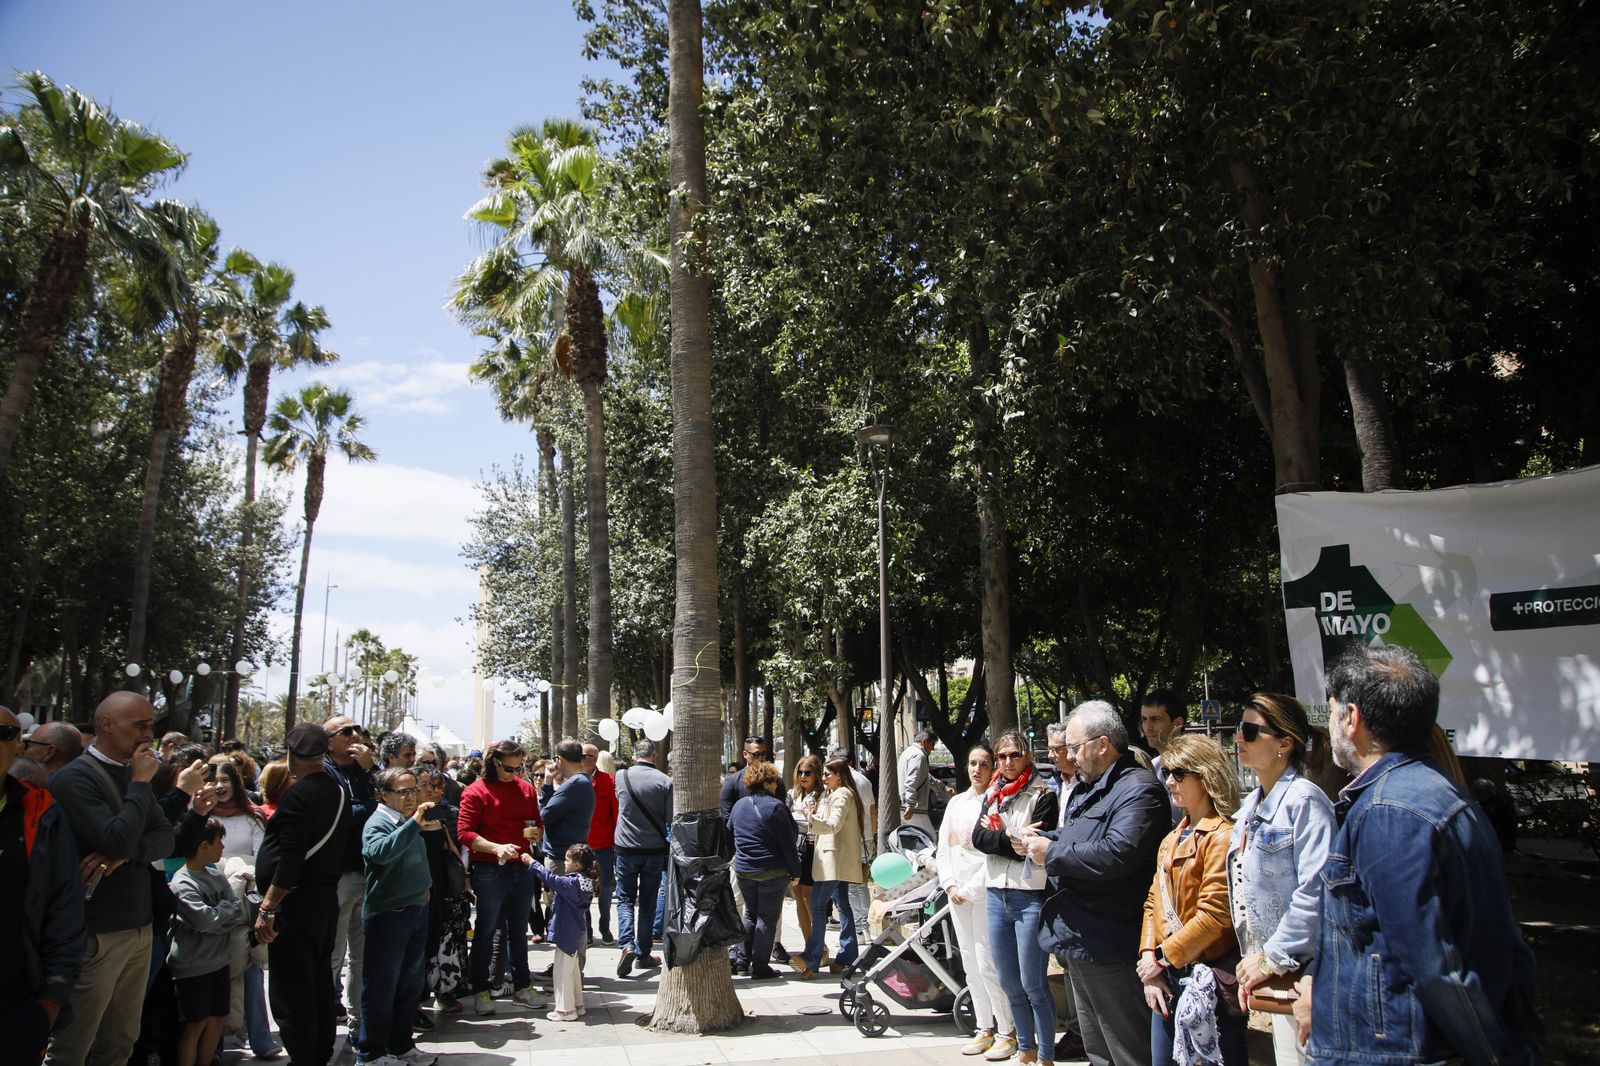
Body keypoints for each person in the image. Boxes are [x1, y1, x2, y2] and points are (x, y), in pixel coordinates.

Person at [1305, 644, 1542, 1066]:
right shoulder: (1436, 793)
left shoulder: (1389, 812)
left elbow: (1434, 966)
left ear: (1352, 718)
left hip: (1398, 1052)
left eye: (1333, 710)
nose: (1332, 725)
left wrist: (1496, 1055)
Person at [1021, 701, 1169, 1066]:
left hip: (1110, 943)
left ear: (1102, 744)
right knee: (1099, 1052)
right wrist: (1040, 840)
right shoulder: (1091, 789)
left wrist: (1050, 853)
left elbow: (1118, 852)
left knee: (1127, 1051)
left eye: (1074, 747)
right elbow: (1078, 837)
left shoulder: (1139, 789)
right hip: (1079, 939)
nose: (1069, 756)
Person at [45, 691, 176, 1066]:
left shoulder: (135, 773)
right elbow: (117, 836)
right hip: (95, 933)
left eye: (151, 724)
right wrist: (138, 786)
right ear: (106, 724)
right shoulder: (76, 778)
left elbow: (164, 838)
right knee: (74, 1044)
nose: (148, 733)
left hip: (138, 927)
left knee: (120, 1042)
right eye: (140, 725)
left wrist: (123, 854)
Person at [1227, 694, 1334, 1065]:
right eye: (1239, 729)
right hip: (1274, 974)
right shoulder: (1248, 809)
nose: (1238, 738)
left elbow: (1316, 892)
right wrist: (1253, 960)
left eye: (1250, 731)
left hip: (1307, 977)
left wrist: (1269, 958)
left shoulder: (1306, 802)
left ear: (1285, 743)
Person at [1137, 735, 1246, 1066]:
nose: (1170, 781)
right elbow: (1154, 902)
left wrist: (1160, 957)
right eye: (1168, 772)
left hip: (1207, 980)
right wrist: (1150, 965)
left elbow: (1215, 916)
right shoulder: (1171, 838)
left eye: (1180, 773)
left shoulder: (1223, 835)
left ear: (1206, 774)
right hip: (1168, 975)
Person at [251, 722, 352, 1066]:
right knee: (318, 981)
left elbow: (290, 857)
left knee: (293, 990)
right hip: (323, 901)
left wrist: (268, 907)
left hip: (297, 905)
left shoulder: (300, 794)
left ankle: (305, 1055)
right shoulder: (337, 789)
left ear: (293, 755)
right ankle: (318, 1052)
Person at [1, 705, 85, 1064]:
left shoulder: (41, 811)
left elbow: (64, 904)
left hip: (15, 1001)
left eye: (3, 733)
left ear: (18, 747)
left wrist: (52, 997)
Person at [971, 729, 1060, 1066]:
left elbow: (1038, 842)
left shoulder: (1043, 792)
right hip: (997, 894)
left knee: (1033, 983)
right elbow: (979, 838)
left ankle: (1046, 1054)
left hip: (1030, 895)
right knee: (1008, 981)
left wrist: (1002, 839)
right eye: (1003, 756)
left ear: (1027, 757)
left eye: (1014, 755)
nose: (1007, 762)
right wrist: (1010, 841)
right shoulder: (993, 793)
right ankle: (1025, 1048)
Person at [936, 742, 1014, 1059]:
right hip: (957, 896)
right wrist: (950, 884)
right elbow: (945, 847)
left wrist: (969, 889)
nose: (976, 769)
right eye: (972, 763)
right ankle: (984, 1027)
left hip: (985, 894)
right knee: (969, 964)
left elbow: (993, 855)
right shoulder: (956, 803)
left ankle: (1007, 1030)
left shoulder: (998, 802)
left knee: (987, 964)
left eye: (983, 763)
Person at [356, 767, 440, 1066]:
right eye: (403, 791)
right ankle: (371, 1053)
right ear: (383, 794)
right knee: (381, 987)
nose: (411, 796)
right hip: (389, 916)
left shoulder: (406, 820)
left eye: (413, 789)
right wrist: (413, 824)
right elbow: (379, 853)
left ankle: (401, 1045)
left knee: (409, 985)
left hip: (415, 911)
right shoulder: (378, 822)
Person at [456, 738, 545, 1015]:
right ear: (494, 763)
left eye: (519, 769)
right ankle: (481, 989)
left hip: (521, 867)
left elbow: (536, 822)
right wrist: (496, 847)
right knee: (485, 931)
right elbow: (465, 833)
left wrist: (536, 833)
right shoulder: (475, 792)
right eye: (509, 769)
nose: (515, 774)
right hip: (489, 870)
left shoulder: (526, 789)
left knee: (520, 932)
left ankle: (522, 986)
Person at [205, 756, 277, 1058]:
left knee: (250, 967)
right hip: (207, 904)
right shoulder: (199, 816)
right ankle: (215, 1044)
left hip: (244, 903)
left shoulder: (253, 817)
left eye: (225, 780)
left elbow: (261, 858)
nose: (219, 786)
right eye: (214, 781)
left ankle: (260, 1038)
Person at [167, 817, 246, 1066]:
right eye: (218, 842)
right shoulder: (183, 882)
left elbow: (236, 909)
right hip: (193, 967)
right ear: (203, 845)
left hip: (219, 962)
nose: (222, 847)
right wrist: (218, 917)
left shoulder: (214, 873)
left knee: (217, 1019)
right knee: (195, 1024)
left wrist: (216, 917)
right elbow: (204, 921)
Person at [323, 714, 380, 1030]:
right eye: (347, 731)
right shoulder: (325, 770)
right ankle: (324, 1023)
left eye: (357, 729)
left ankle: (359, 1022)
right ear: (329, 741)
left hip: (365, 872)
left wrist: (371, 768)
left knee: (361, 957)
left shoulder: (363, 770)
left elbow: (394, 797)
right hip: (339, 874)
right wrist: (373, 809)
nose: (355, 734)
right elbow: (343, 814)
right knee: (333, 954)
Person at [790, 757, 867, 979]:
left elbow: (834, 825)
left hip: (833, 860)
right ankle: (847, 957)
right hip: (835, 859)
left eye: (827, 774)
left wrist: (811, 818)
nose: (823, 778)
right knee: (842, 905)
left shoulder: (842, 794)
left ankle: (811, 957)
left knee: (818, 904)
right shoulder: (837, 794)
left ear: (839, 775)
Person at [729, 760, 801, 979]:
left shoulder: (739, 805)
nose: (776, 785)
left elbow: (730, 833)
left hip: (744, 869)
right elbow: (789, 842)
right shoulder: (776, 806)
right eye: (774, 781)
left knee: (750, 914)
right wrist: (795, 871)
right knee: (767, 919)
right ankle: (760, 967)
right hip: (771, 870)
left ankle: (742, 962)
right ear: (768, 782)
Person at [613, 737, 671, 978]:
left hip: (625, 847)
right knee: (647, 902)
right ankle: (643, 952)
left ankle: (626, 944)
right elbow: (669, 818)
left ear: (634, 755)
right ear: (655, 757)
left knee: (625, 898)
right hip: (653, 849)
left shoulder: (621, 776)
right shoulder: (665, 781)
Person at [417, 766, 468, 1014]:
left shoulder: (440, 815)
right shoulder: (406, 818)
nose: (433, 790)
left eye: (436, 785)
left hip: (441, 887)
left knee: (441, 941)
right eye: (426, 785)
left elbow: (452, 849)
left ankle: (444, 989)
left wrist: (463, 877)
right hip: (418, 889)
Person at [527, 843, 598, 1022]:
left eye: (567, 860)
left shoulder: (571, 883)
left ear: (577, 865)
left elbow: (551, 879)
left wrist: (532, 863)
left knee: (562, 972)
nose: (564, 863)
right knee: (572, 970)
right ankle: (577, 1004)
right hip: (576, 930)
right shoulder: (584, 881)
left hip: (567, 931)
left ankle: (565, 1010)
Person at [785, 754, 825, 952]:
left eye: (807, 772)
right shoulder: (793, 794)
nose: (803, 776)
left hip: (811, 846)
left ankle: (819, 945)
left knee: (810, 898)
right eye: (800, 772)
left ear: (816, 774)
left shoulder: (822, 796)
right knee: (798, 897)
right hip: (794, 846)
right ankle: (809, 944)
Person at [582, 742, 618, 944]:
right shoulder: (572, 780)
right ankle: (586, 931)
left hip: (603, 845)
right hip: (580, 846)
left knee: (605, 890)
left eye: (584, 755)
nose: (579, 758)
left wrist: (614, 843)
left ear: (594, 759)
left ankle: (605, 928)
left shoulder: (608, 781)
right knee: (583, 888)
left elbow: (615, 814)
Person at [1140, 689, 1187, 826]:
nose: (1147, 727)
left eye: (1155, 719)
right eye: (1144, 719)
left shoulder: (1198, 764)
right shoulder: (1152, 767)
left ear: (1177, 723)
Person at [898, 728, 951, 832]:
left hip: (907, 806)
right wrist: (911, 804)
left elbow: (924, 777)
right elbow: (911, 781)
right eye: (932, 745)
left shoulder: (908, 752)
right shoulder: (919, 755)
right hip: (914, 808)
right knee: (930, 838)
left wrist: (943, 788)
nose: (932, 749)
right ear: (924, 741)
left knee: (915, 841)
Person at [719, 735, 769, 819]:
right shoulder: (731, 782)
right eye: (756, 754)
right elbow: (726, 817)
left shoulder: (774, 780)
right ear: (745, 754)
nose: (760, 758)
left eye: (763, 754)